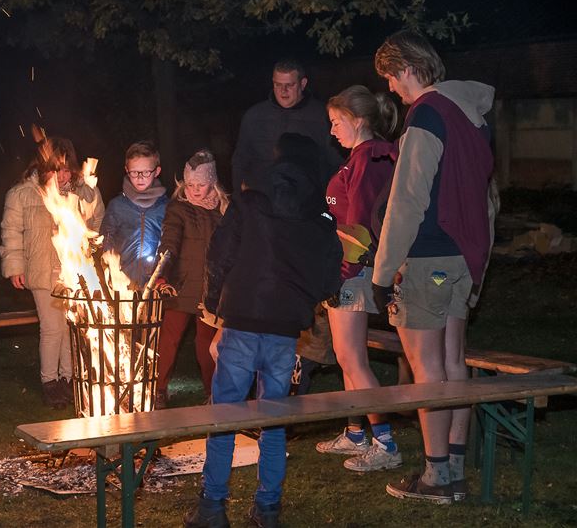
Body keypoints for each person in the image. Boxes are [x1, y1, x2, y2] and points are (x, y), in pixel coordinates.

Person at [184, 133, 342, 528]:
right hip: (285, 330)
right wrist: (307, 299)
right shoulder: (319, 213)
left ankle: (212, 507)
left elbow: (220, 253)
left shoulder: (250, 201)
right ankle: (267, 508)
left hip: (241, 321)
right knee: (274, 419)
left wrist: (214, 304)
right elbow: (329, 273)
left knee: (224, 416)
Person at [372, 30, 495, 504]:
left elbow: (408, 200)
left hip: (428, 259)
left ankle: (435, 477)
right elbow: (486, 197)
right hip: (463, 258)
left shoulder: (426, 114)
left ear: (406, 68)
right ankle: (455, 470)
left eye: (390, 77)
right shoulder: (472, 115)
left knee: (427, 369)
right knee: (452, 362)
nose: (391, 88)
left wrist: (383, 273)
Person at [314, 85, 403, 472]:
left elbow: (361, 226)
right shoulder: (362, 157)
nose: (332, 130)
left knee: (352, 358)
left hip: (353, 270)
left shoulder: (369, 159)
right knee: (348, 357)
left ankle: (386, 444)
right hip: (350, 268)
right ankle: (355, 433)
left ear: (359, 120)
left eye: (337, 122)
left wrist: (342, 273)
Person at [0, 135, 104, 409]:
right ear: (44, 167)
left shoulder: (81, 193)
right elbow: (11, 233)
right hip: (42, 269)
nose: (62, 176)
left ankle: (68, 379)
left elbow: (97, 223)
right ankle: (50, 381)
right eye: (57, 170)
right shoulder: (22, 194)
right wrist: (15, 266)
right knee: (52, 328)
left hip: (74, 271)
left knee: (70, 326)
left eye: (67, 170)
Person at [154, 149, 229, 409]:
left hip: (212, 289)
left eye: (201, 185)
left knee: (206, 344)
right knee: (169, 339)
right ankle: (158, 390)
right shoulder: (178, 209)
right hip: (181, 285)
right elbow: (169, 241)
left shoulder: (224, 210)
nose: (195, 190)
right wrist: (161, 274)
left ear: (213, 182)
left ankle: (213, 392)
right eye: (190, 185)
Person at [231, 58, 342, 194]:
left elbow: (335, 161)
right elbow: (240, 159)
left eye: (290, 85)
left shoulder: (322, 115)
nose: (283, 91)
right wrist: (238, 197)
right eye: (278, 84)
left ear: (302, 84)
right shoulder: (254, 116)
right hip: (262, 198)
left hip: (307, 199)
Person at [99, 140, 169, 290]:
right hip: (121, 284)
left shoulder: (166, 207)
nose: (140, 177)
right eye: (134, 172)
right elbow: (106, 240)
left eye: (146, 172)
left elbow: (170, 244)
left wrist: (162, 275)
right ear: (127, 170)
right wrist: (112, 270)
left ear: (157, 171)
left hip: (154, 285)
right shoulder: (117, 206)